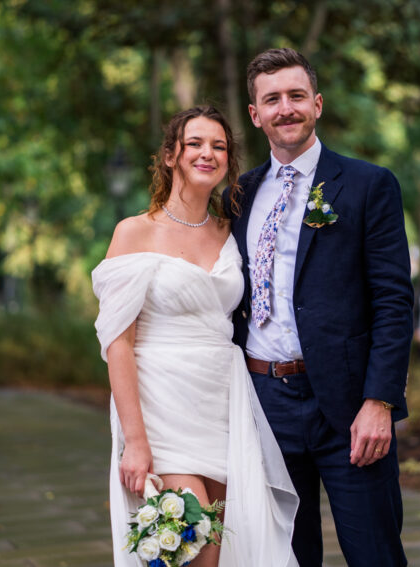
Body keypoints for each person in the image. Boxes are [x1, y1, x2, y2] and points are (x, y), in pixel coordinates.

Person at [225, 48, 414, 566]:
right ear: (254, 114)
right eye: (272, 99)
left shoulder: (369, 185)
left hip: (350, 407)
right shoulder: (238, 196)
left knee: (374, 552)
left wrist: (381, 401)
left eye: (296, 96)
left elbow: (394, 301)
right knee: (285, 556)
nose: (285, 108)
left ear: (318, 104)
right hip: (263, 404)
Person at [92, 106, 299, 567]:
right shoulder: (134, 233)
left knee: (226, 549)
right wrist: (136, 441)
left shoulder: (231, 230)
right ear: (170, 156)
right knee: (195, 549)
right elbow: (117, 344)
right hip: (161, 407)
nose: (209, 153)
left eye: (220, 146)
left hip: (224, 405)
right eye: (196, 144)